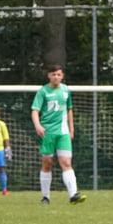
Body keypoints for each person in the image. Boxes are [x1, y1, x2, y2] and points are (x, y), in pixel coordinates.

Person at [31, 65, 87, 205]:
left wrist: (71, 129)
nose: (56, 77)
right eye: (53, 74)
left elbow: (69, 110)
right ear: (49, 76)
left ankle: (73, 194)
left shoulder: (65, 90)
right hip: (47, 133)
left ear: (62, 76)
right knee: (47, 164)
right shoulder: (43, 91)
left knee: (66, 163)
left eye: (58, 74)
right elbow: (35, 110)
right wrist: (38, 126)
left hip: (63, 133)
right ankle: (46, 197)